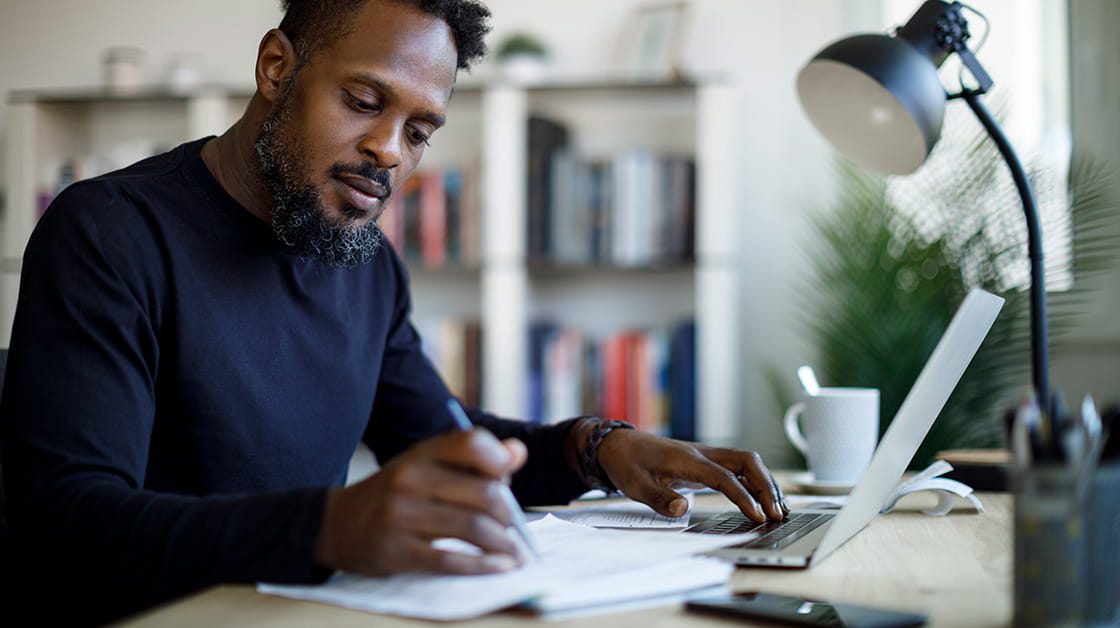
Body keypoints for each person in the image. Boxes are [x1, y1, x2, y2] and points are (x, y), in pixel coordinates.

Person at [0, 0, 787, 624]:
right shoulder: (109, 232)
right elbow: (69, 521)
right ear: (277, 66)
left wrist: (596, 448)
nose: (389, 151)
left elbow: (447, 441)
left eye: (419, 131)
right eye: (364, 100)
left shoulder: (368, 266)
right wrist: (327, 528)